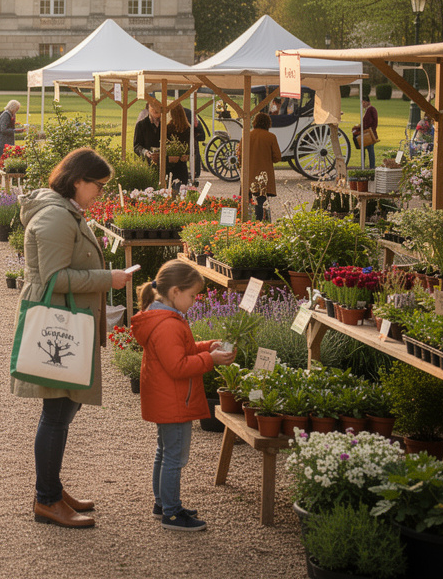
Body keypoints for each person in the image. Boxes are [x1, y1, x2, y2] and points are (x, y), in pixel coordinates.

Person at [15, 148, 133, 529]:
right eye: (98, 186)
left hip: (68, 319)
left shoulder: (62, 210)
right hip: (60, 322)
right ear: (78, 180)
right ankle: (46, 499)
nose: (100, 193)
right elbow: (53, 279)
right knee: (57, 413)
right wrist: (107, 280)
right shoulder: (56, 216)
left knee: (64, 410)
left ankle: (51, 488)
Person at [130, 260, 233, 532]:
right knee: (175, 457)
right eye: (192, 296)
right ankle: (172, 514)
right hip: (174, 400)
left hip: (167, 398)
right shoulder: (168, 324)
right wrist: (210, 359)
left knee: (164, 452)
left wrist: (207, 346)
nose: (194, 301)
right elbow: (178, 366)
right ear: (175, 292)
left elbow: (181, 350)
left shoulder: (163, 318)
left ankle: (163, 503)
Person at [246, 113, 282, 221]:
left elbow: (239, 155)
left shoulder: (247, 135)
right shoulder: (271, 137)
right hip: (264, 175)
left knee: (247, 200)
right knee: (261, 201)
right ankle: (260, 222)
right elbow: (277, 157)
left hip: (248, 173)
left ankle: (246, 221)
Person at [353, 97, 378, 169]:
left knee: (370, 151)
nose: (362, 104)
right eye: (362, 103)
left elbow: (369, 123)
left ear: (368, 102)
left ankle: (371, 167)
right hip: (367, 133)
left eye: (364, 103)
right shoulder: (369, 110)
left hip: (369, 134)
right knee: (365, 150)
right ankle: (364, 166)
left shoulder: (371, 109)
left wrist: (359, 127)